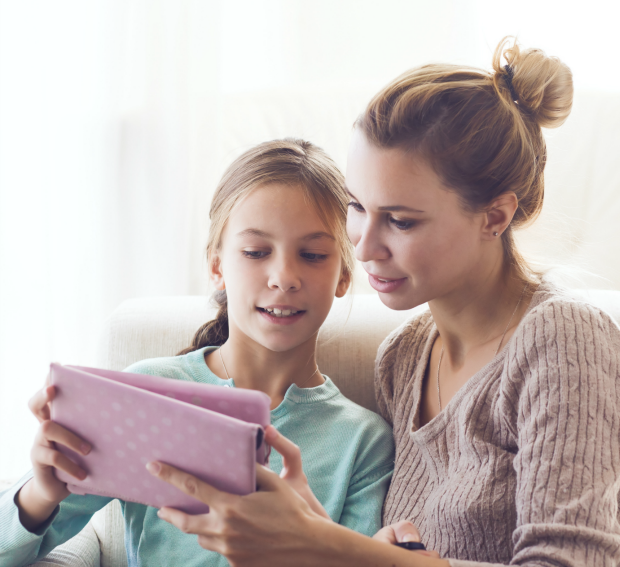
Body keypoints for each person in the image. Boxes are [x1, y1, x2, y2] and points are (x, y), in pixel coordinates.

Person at [143, 38, 620, 567]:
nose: (361, 247)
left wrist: (325, 544)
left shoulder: (567, 342)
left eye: (402, 221)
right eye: (358, 207)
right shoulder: (403, 359)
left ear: (495, 217)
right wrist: (309, 530)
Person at [0, 140, 395, 567]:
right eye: (255, 252)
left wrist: (304, 536)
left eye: (313, 255)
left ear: (343, 275)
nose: (284, 277)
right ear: (217, 267)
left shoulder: (363, 440)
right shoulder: (149, 394)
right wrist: (41, 494)